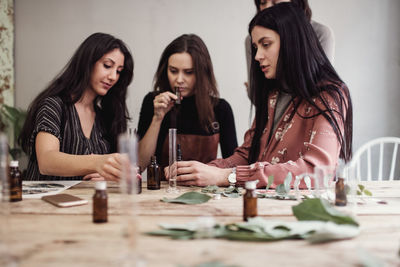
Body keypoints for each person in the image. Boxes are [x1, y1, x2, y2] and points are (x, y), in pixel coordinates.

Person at [165, 3, 352, 188]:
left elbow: (317, 172)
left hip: (299, 211)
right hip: (262, 205)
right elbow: (247, 155)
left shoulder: (329, 95)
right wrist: (198, 171)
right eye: (256, 47)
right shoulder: (271, 94)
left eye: (266, 44)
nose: (257, 56)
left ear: (292, 42)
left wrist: (227, 176)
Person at [19, 32, 134, 181]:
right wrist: (98, 162)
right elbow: (46, 161)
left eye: (118, 71)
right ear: (87, 62)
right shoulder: (53, 105)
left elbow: (104, 171)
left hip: (87, 201)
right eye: (107, 66)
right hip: (45, 202)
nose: (113, 76)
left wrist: (106, 175)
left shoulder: (104, 117)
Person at [137, 34, 238, 174]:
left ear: (202, 73)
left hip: (204, 191)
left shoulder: (220, 109)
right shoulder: (153, 102)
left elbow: (233, 167)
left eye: (189, 72)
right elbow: (140, 165)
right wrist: (157, 118)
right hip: (162, 190)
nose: (179, 79)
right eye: (173, 71)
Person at [245, 0, 335, 98]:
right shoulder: (252, 38)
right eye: (263, 3)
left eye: (266, 44)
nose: (267, 8)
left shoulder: (320, 32)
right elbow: (256, 94)